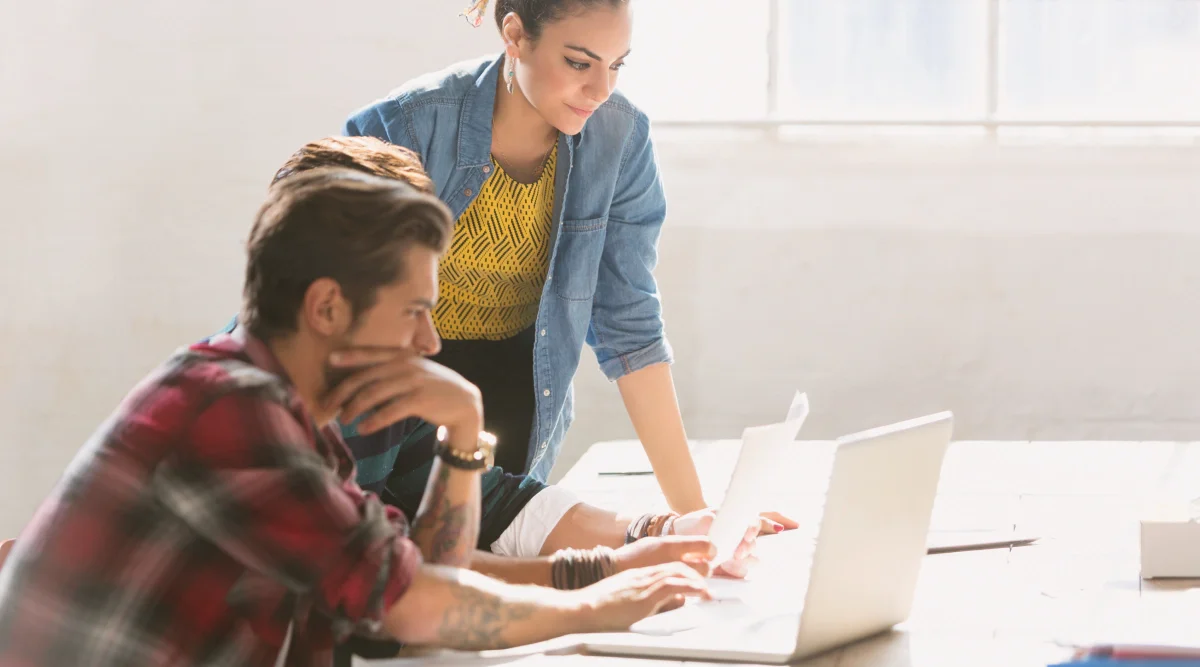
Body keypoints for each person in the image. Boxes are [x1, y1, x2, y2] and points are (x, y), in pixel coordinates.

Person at [0, 168, 711, 666]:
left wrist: (465, 428)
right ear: (327, 307)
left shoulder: (289, 418)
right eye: (414, 312)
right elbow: (414, 608)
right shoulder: (231, 410)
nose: (430, 343)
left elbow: (420, 577)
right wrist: (597, 606)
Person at [343, 0, 795, 532]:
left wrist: (696, 518)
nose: (601, 90)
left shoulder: (620, 139)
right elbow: (341, 302)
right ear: (515, 36)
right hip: (386, 385)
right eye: (580, 63)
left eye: (617, 64)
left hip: (515, 398)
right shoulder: (408, 124)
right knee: (377, 563)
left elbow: (631, 326)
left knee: (498, 556)